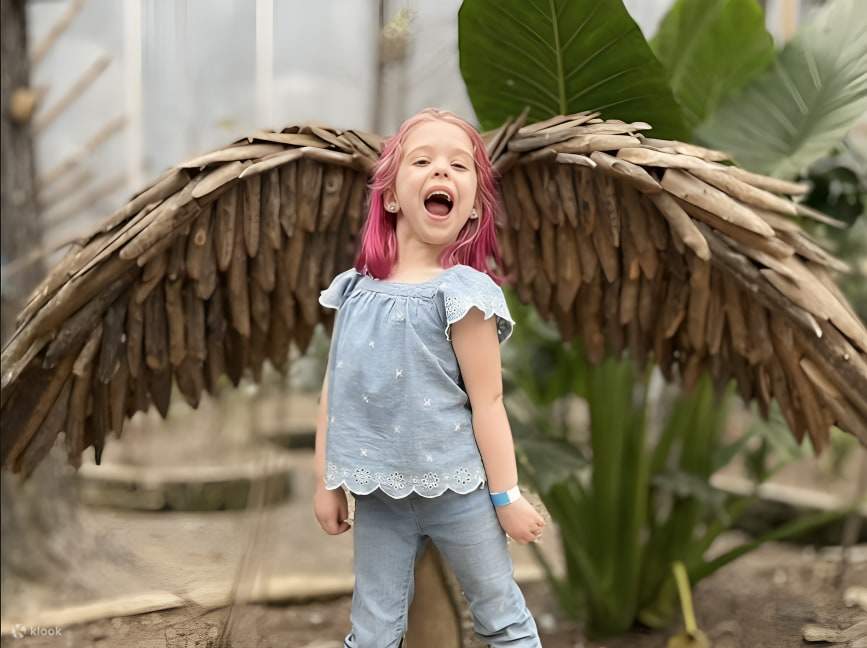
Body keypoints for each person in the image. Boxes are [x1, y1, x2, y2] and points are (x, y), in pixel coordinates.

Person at [312, 107, 545, 648]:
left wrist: (507, 497)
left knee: (503, 619)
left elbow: (489, 403)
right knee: (371, 633)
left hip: (461, 493)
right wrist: (326, 481)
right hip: (378, 498)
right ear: (391, 196)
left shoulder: (464, 293)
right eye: (422, 161)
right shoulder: (354, 290)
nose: (442, 170)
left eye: (459, 166)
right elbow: (334, 394)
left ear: (473, 207)